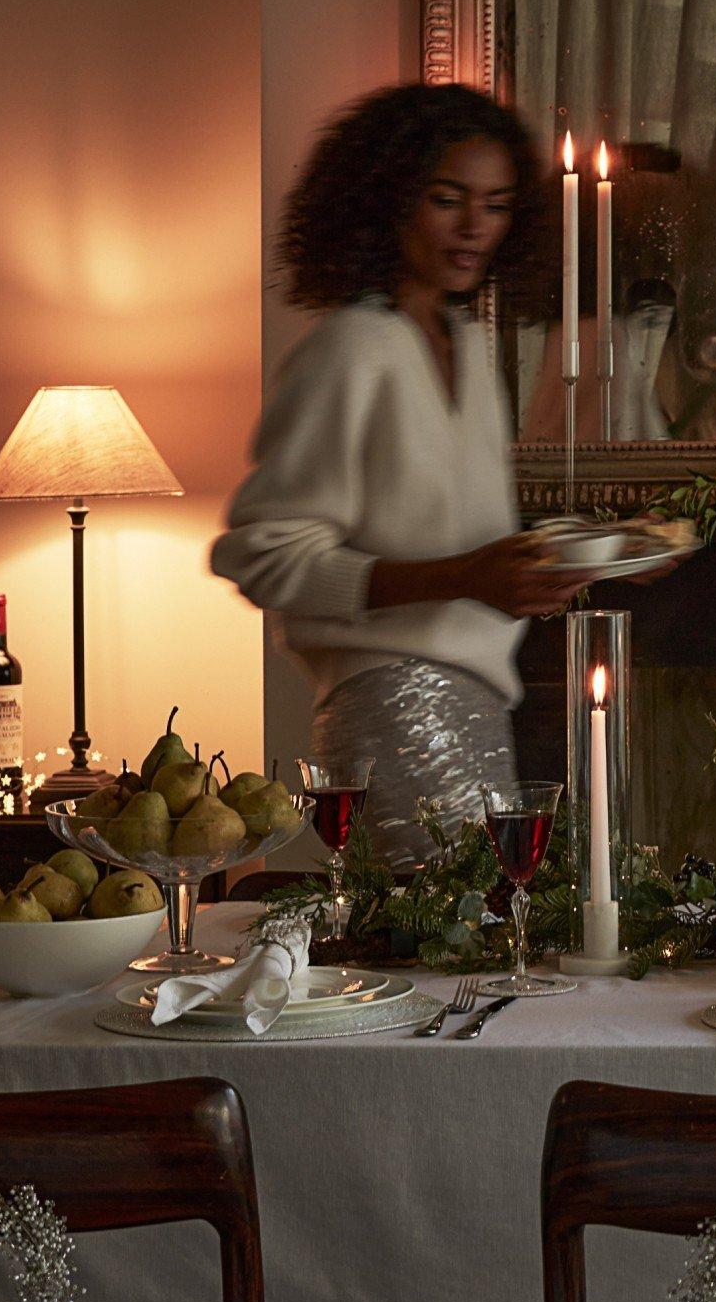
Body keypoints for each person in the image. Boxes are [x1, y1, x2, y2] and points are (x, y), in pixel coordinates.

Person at [215, 83, 578, 868]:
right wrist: (465, 576)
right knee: (451, 952)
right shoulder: (351, 347)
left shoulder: (470, 347)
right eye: (447, 198)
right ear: (386, 199)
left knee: (486, 949)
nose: (475, 226)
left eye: (498, 203)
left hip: (482, 702)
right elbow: (261, 556)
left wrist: (583, 559)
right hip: (389, 704)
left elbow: (468, 543)